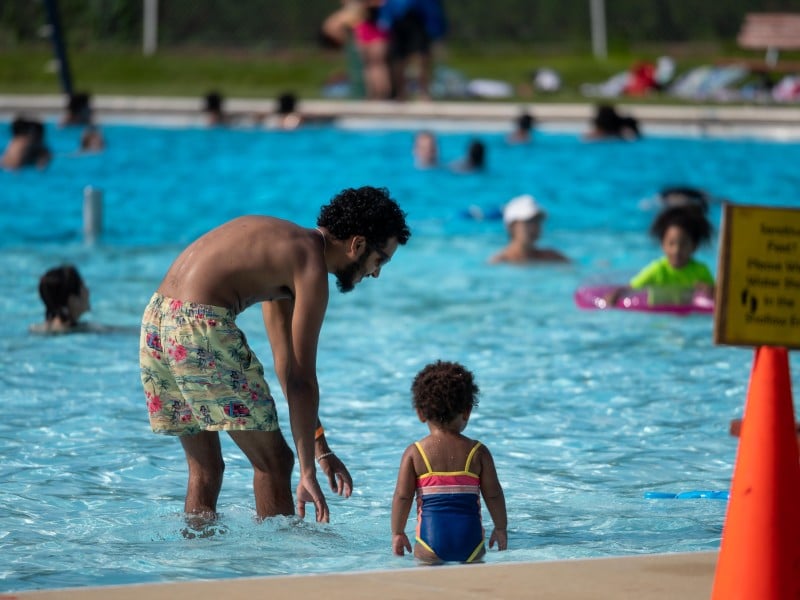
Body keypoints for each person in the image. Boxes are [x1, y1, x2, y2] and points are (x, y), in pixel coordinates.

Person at [139, 186, 411, 527]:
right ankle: (280, 565)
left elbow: (287, 367)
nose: (376, 273)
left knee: (206, 467)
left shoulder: (285, 248)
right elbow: (301, 379)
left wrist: (319, 448)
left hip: (156, 322)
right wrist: (307, 472)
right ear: (356, 245)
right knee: (275, 462)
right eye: (379, 259)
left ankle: (196, 563)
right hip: (198, 325)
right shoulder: (309, 263)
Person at [391, 360, 507, 564]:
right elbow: (494, 494)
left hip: (430, 544)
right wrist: (500, 528)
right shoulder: (478, 452)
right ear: (467, 411)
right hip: (471, 544)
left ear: (420, 413)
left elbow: (402, 496)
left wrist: (397, 533)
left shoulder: (415, 453)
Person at [605, 205, 714, 306]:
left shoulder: (700, 271)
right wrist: (615, 295)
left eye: (684, 244)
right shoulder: (657, 270)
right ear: (663, 245)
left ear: (694, 246)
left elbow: (717, 295)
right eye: (671, 243)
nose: (677, 250)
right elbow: (631, 288)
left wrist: (709, 290)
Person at [379, 0, 447, 100]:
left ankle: (424, 93)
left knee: (422, 58)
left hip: (419, 16)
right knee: (398, 60)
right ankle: (401, 93)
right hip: (397, 17)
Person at [489, 194, 569, 264]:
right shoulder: (500, 262)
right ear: (512, 226)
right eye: (529, 222)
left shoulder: (553, 258)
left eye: (537, 221)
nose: (534, 227)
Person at [30, 265, 91, 334]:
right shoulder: (88, 330)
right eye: (83, 287)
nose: (88, 291)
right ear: (72, 300)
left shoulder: (35, 329)